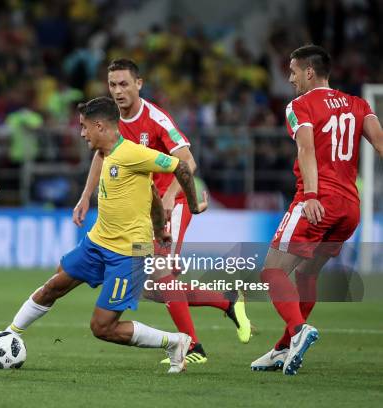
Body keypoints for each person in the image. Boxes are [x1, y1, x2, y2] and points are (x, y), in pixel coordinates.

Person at [0, 96, 205, 373]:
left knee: (102, 327)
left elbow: (180, 165)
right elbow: (152, 194)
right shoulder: (106, 155)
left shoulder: (132, 153)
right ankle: (9, 334)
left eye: (84, 127)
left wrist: (190, 206)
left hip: (130, 252)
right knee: (54, 285)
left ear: (99, 126)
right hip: (98, 241)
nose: (82, 133)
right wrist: (158, 226)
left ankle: (175, 342)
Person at [72, 59, 251, 364]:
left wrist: (169, 196)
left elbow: (188, 162)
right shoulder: (110, 121)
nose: (118, 91)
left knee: (161, 273)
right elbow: (101, 156)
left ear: (138, 84)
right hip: (146, 214)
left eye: (124, 84)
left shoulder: (156, 119)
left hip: (172, 207)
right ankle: (226, 300)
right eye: (113, 85)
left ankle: (192, 346)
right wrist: (86, 196)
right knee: (152, 288)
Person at [251, 44, 383, 375]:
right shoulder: (358, 104)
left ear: (309, 71)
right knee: (308, 274)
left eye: (293, 71)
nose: (290, 78)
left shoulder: (300, 105)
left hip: (317, 202)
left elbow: (306, 149)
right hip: (349, 208)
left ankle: (298, 331)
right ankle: (283, 348)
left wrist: (310, 195)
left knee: (272, 271)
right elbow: (381, 144)